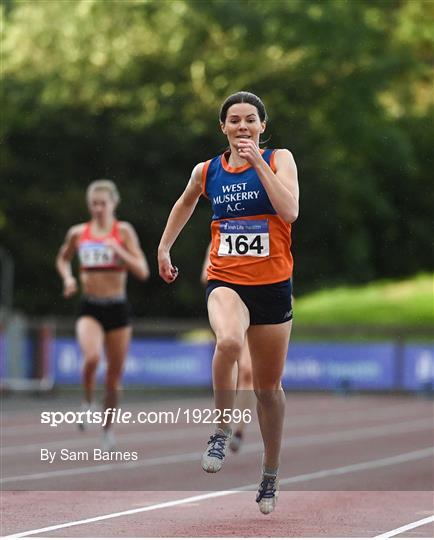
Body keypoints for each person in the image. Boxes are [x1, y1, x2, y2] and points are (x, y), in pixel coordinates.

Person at [158, 91, 298, 514]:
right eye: (233, 120)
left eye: (249, 119)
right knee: (230, 343)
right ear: (223, 127)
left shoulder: (279, 160)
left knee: (268, 389)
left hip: (273, 285)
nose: (241, 126)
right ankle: (220, 430)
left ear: (262, 126)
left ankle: (270, 472)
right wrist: (165, 248)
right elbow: (184, 203)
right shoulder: (207, 171)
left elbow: (289, 211)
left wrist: (258, 162)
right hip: (226, 281)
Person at [56, 180, 150, 450]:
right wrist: (68, 278)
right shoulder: (78, 233)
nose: (98, 209)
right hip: (90, 306)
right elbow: (63, 258)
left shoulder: (123, 231)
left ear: (113, 203)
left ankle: (107, 428)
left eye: (103, 203)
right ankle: (86, 402)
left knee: (113, 379)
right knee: (92, 357)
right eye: (94, 204)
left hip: (118, 308)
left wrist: (118, 250)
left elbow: (143, 271)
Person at [200, 242, 254, 453]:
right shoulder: (221, 231)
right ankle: (225, 424)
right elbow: (206, 274)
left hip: (261, 305)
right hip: (231, 306)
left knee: (249, 372)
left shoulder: (269, 225)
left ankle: (239, 428)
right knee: (232, 354)